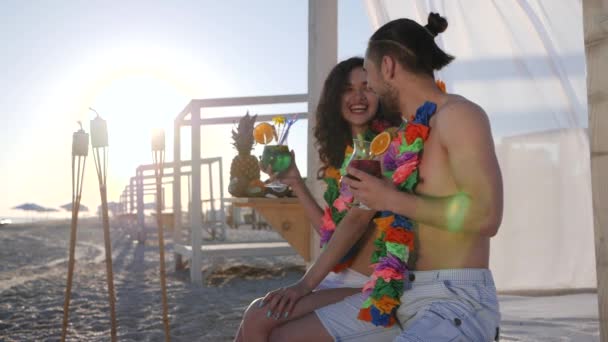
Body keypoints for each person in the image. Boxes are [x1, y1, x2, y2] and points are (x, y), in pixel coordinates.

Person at [263, 13, 504, 342]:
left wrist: (391, 199)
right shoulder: (398, 138)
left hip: (453, 299)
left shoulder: (459, 116)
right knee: (281, 337)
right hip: (399, 292)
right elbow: (355, 219)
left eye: (370, 75)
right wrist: (305, 284)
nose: (370, 87)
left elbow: (487, 215)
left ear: (388, 67)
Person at [234, 57, 401, 342]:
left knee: (268, 324)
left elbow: (357, 222)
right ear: (336, 98)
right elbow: (332, 235)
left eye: (367, 87)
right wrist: (296, 183)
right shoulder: (349, 154)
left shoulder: (388, 146)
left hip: (372, 284)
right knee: (257, 314)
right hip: (338, 278)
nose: (357, 97)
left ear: (381, 93)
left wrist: (304, 285)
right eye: (347, 89)